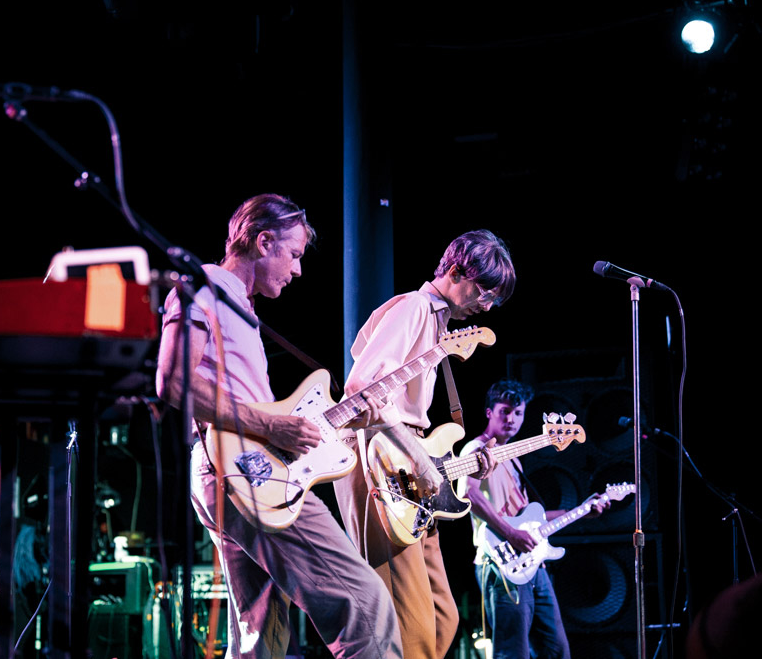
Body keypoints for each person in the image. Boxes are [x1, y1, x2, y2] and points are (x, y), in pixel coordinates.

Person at [156, 193, 403, 658]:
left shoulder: (239, 307)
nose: (298, 269)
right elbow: (173, 381)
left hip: (239, 471)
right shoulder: (206, 285)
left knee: (260, 634)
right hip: (245, 471)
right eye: (293, 254)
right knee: (366, 609)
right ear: (263, 241)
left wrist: (330, 431)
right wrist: (274, 430)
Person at [333, 229, 515, 659]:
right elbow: (363, 387)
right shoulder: (415, 308)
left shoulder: (437, 324)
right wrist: (418, 455)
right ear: (455, 271)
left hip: (409, 469)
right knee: (410, 624)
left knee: (442, 616)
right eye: (485, 291)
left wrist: (458, 461)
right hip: (379, 463)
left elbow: (413, 417)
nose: (487, 306)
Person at [459, 379, 608, 659]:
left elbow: (528, 519)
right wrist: (510, 533)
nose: (512, 419)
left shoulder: (513, 459)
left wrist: (584, 508)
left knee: (557, 650)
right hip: (500, 563)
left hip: (532, 562)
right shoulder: (475, 450)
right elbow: (469, 494)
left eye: (518, 413)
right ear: (489, 413)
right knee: (512, 652)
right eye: (505, 411)